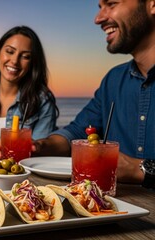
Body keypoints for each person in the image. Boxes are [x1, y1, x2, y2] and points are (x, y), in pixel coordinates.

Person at [30, 0, 155, 186]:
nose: (98, 18)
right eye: (99, 8)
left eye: (111, 4)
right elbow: (77, 132)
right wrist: (39, 146)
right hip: (113, 210)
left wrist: (139, 169)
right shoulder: (113, 80)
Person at [0, 26, 59, 142]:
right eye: (9, 51)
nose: (15, 61)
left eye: (25, 56)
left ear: (32, 63)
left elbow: (38, 152)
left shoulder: (42, 100)